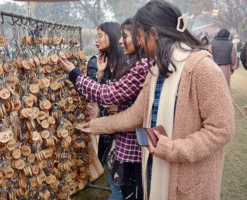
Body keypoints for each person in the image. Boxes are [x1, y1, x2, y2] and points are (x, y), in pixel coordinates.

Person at [80, 1, 235, 200]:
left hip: (189, 185)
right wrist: (96, 125)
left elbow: (222, 130)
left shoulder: (202, 68)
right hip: (155, 172)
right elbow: (135, 115)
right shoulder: (156, 70)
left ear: (153, 33)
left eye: (138, 36)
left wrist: (170, 149)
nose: (138, 43)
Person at [60, 19, 152, 200]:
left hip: (129, 141)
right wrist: (101, 76)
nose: (119, 40)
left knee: (126, 192)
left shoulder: (138, 65)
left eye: (100, 35)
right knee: (122, 188)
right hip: (117, 136)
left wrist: (74, 73)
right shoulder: (110, 61)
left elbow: (107, 94)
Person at [85, 21, 125, 200]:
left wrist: (122, 107)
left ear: (113, 36)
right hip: (108, 133)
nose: (96, 40)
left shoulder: (125, 64)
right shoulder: (100, 63)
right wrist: (100, 75)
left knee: (120, 188)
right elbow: (100, 97)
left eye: (100, 35)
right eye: (96, 36)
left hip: (123, 134)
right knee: (114, 182)